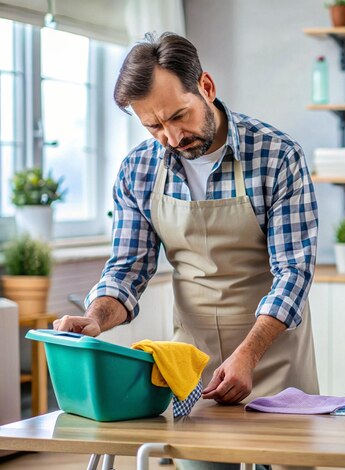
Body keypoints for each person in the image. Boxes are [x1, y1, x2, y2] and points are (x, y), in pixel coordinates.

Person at [53, 32, 319, 410]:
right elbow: (128, 268)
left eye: (179, 116)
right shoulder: (138, 169)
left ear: (206, 87)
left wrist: (247, 355)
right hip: (188, 367)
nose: (173, 137)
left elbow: (294, 272)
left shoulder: (277, 156)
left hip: (273, 358)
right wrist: (95, 318)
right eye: (154, 127)